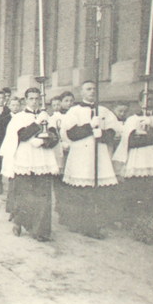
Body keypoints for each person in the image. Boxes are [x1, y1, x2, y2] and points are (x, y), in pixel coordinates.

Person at [59, 80, 121, 238]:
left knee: (96, 190)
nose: (92, 91)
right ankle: (77, 222)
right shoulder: (75, 111)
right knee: (80, 190)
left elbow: (115, 130)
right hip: (81, 154)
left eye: (94, 89)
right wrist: (89, 126)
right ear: (82, 92)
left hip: (98, 153)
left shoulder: (104, 110)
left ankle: (92, 225)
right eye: (88, 89)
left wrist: (103, 134)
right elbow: (70, 133)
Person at [0, 87, 61, 241]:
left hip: (43, 159)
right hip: (25, 158)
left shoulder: (46, 115)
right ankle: (20, 222)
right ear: (25, 100)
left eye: (36, 99)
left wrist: (44, 142)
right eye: (31, 99)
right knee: (25, 194)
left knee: (42, 195)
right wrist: (37, 125)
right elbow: (21, 135)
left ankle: (40, 230)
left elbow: (55, 138)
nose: (34, 102)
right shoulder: (19, 117)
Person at [112, 89, 153, 243]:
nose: (148, 102)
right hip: (138, 162)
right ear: (139, 102)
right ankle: (138, 230)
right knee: (138, 195)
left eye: (151, 99)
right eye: (145, 99)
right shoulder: (132, 120)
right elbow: (131, 142)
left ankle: (152, 230)